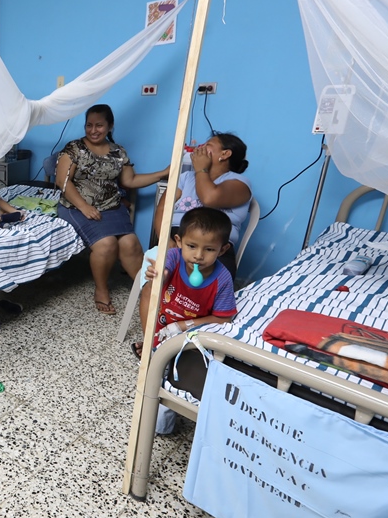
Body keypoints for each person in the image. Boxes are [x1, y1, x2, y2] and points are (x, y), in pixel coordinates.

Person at [56, 104, 169, 315]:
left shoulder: (118, 152)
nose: (93, 130)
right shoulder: (74, 148)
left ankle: (149, 290)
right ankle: (101, 289)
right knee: (106, 244)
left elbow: (130, 180)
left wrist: (162, 173)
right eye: (89, 125)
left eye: (99, 125)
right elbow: (62, 181)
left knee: (130, 243)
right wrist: (84, 206)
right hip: (76, 206)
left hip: (111, 207)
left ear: (110, 126)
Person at [134, 207, 237, 358]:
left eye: (209, 249)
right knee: (149, 289)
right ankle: (150, 341)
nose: (198, 256)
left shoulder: (222, 279)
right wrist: (159, 275)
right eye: (192, 246)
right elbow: (163, 269)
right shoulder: (174, 256)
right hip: (162, 323)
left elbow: (224, 319)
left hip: (193, 332)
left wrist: (182, 326)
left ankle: (167, 349)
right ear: (179, 241)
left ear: (222, 250)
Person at [154, 132, 251, 277]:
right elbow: (163, 208)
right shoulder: (185, 178)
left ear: (225, 154)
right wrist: (165, 240)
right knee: (159, 275)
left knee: (214, 282)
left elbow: (209, 198)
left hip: (214, 245)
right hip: (179, 236)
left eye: (207, 145)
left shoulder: (240, 183)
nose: (199, 148)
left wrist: (201, 169)